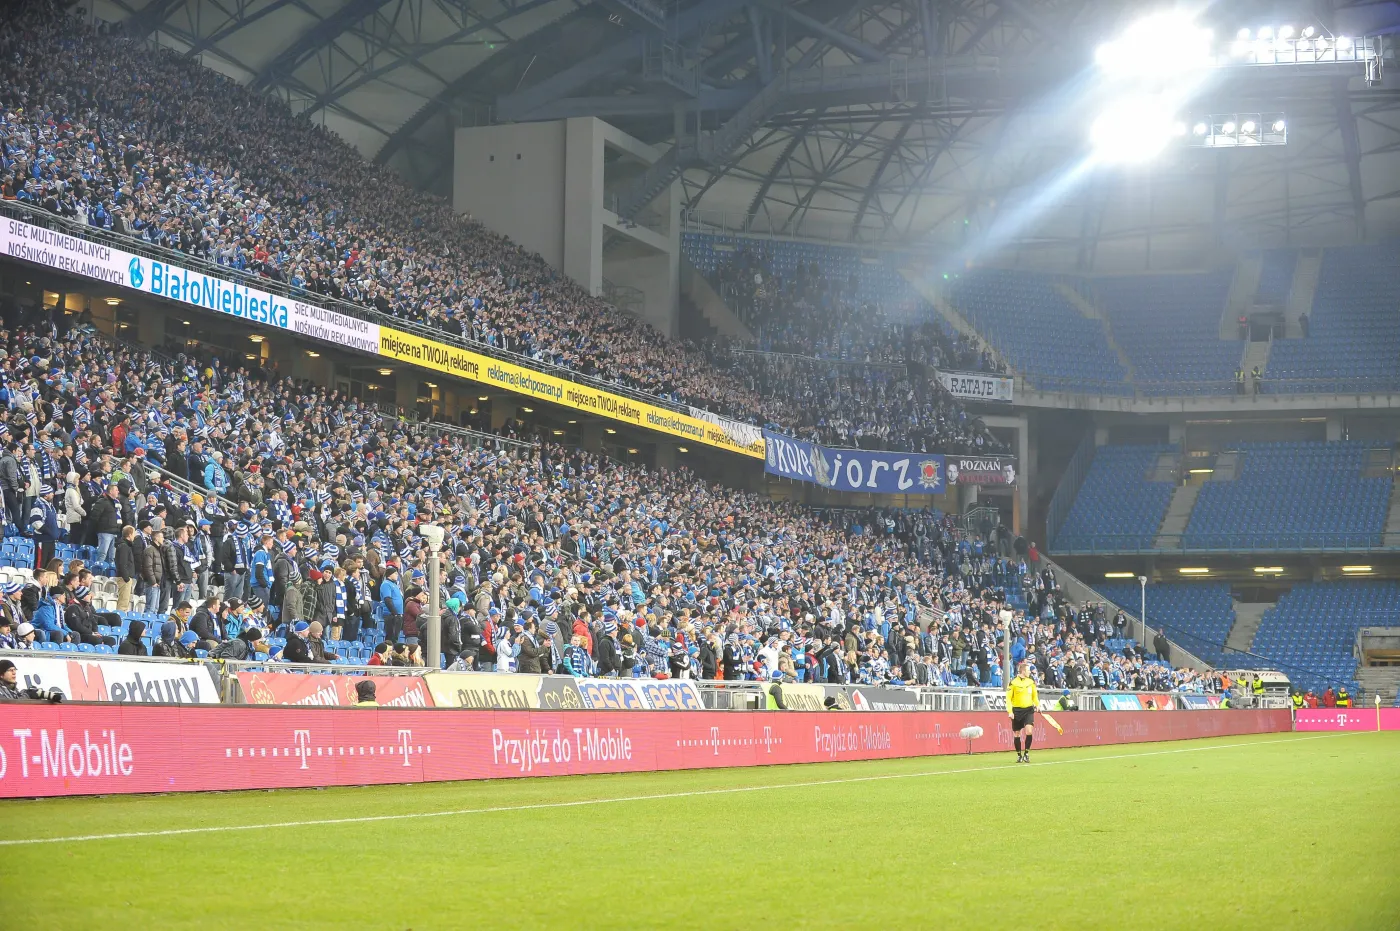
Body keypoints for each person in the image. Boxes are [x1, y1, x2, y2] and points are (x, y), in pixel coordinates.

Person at [1007, 660, 1038, 763]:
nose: (1030, 672)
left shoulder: (1031, 682)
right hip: (1017, 710)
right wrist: (1010, 711)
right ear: (1023, 671)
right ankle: (1019, 755)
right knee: (1017, 733)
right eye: (1028, 670)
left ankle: (1026, 753)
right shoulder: (1013, 683)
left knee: (1029, 730)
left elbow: (1035, 696)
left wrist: (1037, 705)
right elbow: (1008, 699)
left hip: (1029, 709)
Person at [0, 659, 65, 702]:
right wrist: (28, 695)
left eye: (14, 670)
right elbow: (9, 705)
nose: (14, 673)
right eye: (10, 670)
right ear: (1, 675)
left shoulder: (14, 690)